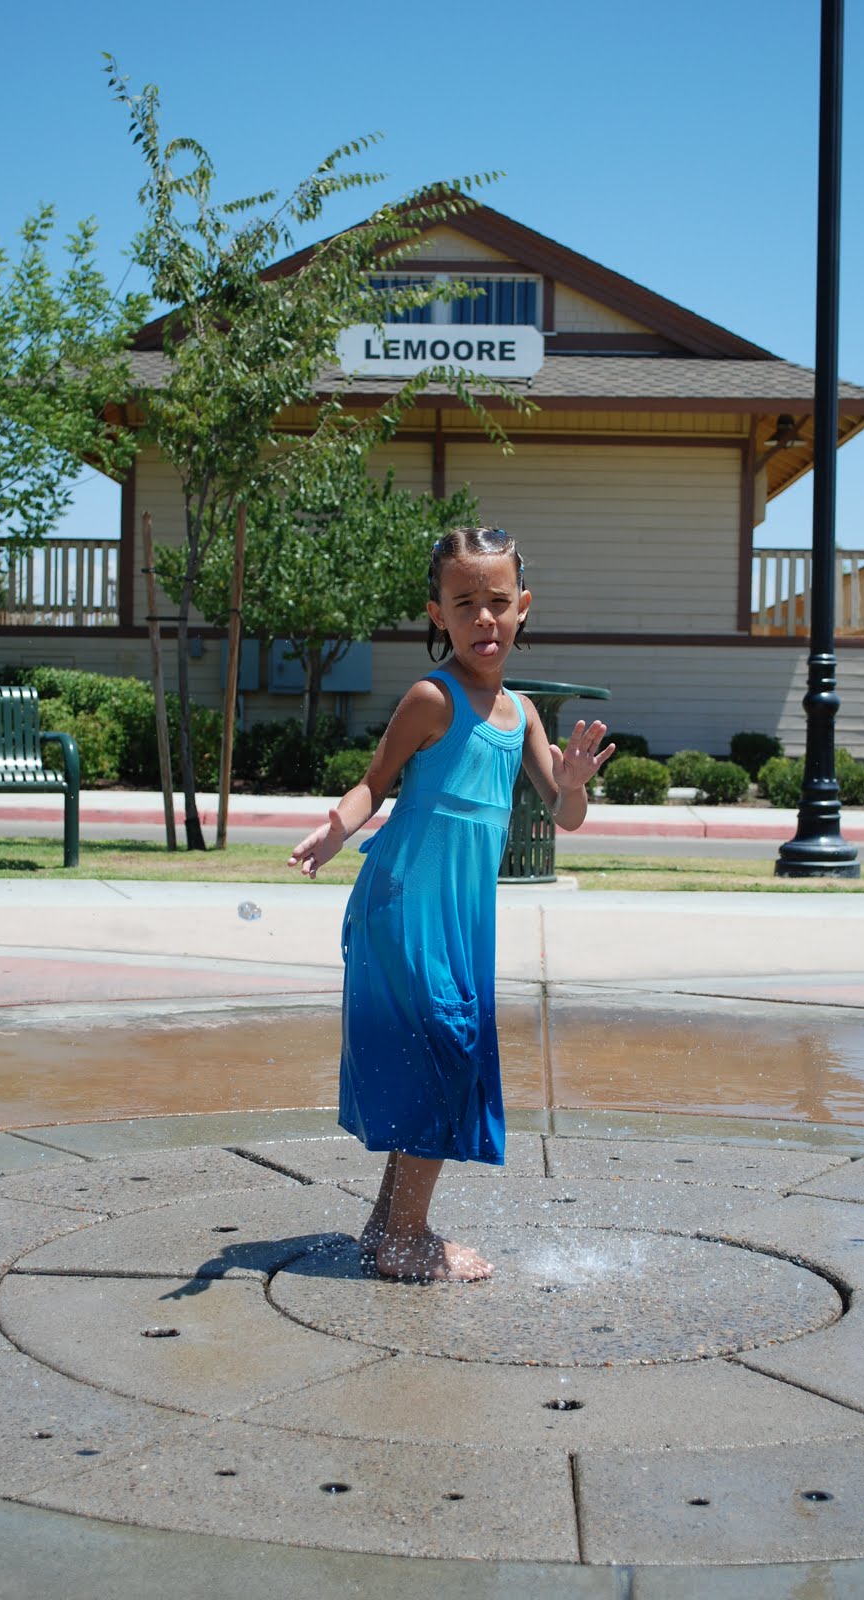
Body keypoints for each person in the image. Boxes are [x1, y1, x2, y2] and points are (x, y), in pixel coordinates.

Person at [288, 526, 614, 1282]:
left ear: (522, 606)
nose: (482, 619)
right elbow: (375, 780)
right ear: (437, 614)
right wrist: (336, 829)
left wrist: (570, 787)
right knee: (445, 1052)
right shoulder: (431, 699)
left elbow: (565, 819)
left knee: (434, 1055)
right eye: (463, 603)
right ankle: (407, 1239)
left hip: (459, 920)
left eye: (496, 602)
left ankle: (386, 1228)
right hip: (403, 908)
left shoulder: (522, 715)